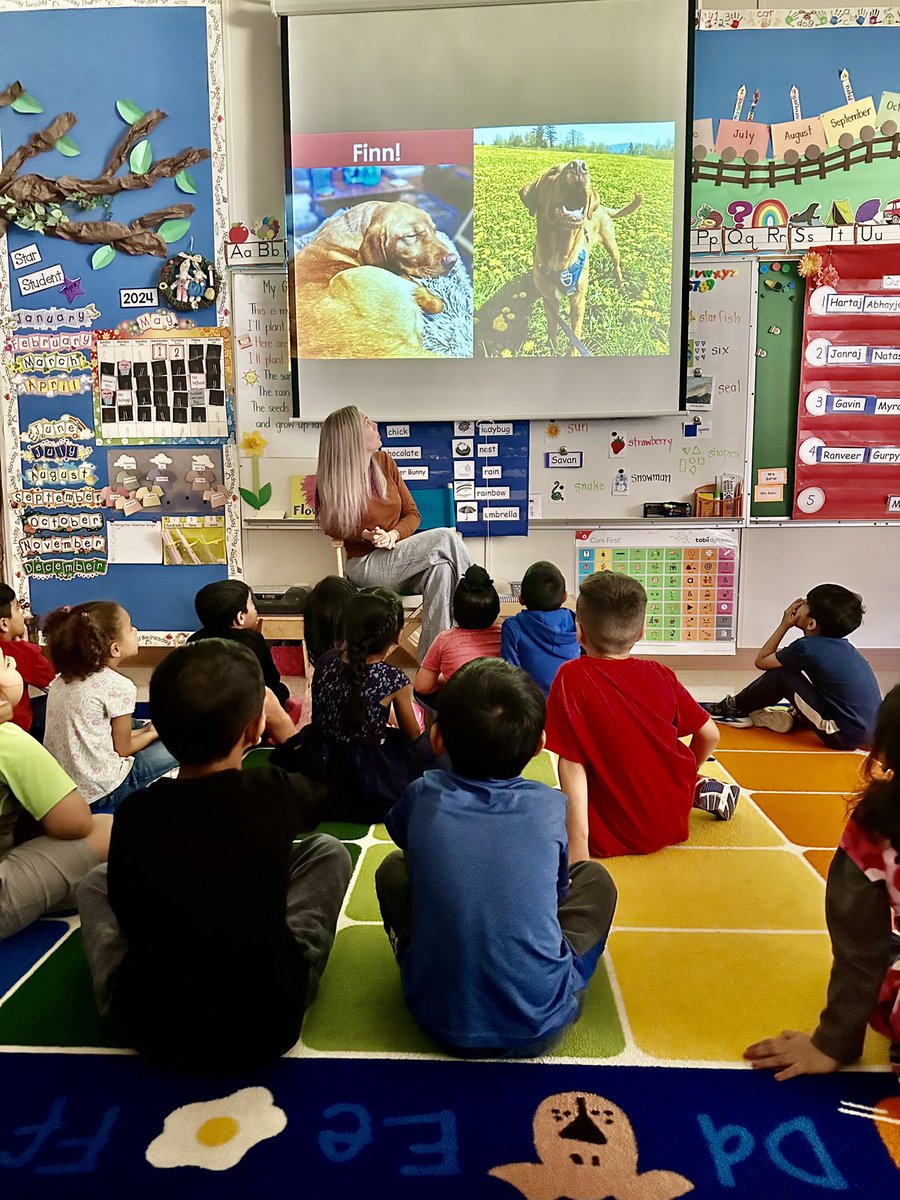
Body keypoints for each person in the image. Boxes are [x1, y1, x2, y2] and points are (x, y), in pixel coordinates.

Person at [77, 640, 351, 1066]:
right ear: (252, 731)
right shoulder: (274, 795)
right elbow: (327, 786)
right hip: (268, 1021)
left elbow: (130, 908)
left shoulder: (136, 811)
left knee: (95, 880)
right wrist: (283, 725)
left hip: (147, 1025)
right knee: (329, 851)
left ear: (160, 730)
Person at [376, 658, 618, 1057]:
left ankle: (418, 953)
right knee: (596, 880)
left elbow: (406, 846)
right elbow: (560, 893)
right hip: (541, 1023)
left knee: (392, 869)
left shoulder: (422, 793)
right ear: (540, 746)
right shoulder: (551, 806)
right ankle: (563, 978)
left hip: (435, 1016)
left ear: (437, 740)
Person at [744, 685, 900, 1079]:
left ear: (881, 754)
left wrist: (832, 1043)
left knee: (885, 968)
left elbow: (860, 951)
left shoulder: (877, 829)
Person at [545, 572, 739, 859]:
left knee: (543, 806)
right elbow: (710, 733)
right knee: (650, 762)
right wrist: (684, 778)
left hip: (610, 834)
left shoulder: (571, 676)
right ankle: (694, 787)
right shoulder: (660, 673)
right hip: (671, 820)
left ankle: (695, 788)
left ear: (579, 632)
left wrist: (579, 854)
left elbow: (571, 764)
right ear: (641, 632)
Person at [314, 405, 472, 658]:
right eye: (367, 422)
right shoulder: (333, 478)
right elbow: (332, 525)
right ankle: (475, 610)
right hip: (366, 566)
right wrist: (366, 535)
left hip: (400, 559)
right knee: (446, 536)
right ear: (352, 437)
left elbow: (413, 514)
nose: (375, 425)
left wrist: (394, 535)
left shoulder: (385, 463)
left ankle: (431, 666)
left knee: (442, 570)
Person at [272, 589, 433, 823]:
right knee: (427, 750)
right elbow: (412, 734)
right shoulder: (393, 678)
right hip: (368, 772)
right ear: (397, 636)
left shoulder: (327, 660)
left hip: (322, 757)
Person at [0, 655, 111, 940]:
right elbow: (75, 823)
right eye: (4, 663)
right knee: (106, 828)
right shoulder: (8, 740)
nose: (13, 660)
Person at [702, 584, 881, 750]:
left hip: (843, 735)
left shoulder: (807, 647)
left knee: (782, 674)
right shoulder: (845, 648)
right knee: (793, 670)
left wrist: (784, 624)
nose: (800, 603)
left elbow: (762, 661)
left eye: (806, 602)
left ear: (811, 623)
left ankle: (735, 708)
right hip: (870, 733)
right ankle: (794, 718)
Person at [43, 603, 177, 814]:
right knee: (182, 743)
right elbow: (122, 749)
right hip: (102, 791)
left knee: (138, 726)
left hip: (63, 788)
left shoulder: (61, 679)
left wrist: (146, 731)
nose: (136, 631)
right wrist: (152, 735)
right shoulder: (118, 686)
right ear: (115, 648)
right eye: (131, 627)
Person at [187, 579, 296, 742]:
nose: (256, 609)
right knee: (279, 689)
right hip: (245, 717)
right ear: (240, 617)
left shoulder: (193, 641)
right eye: (252, 604)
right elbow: (271, 679)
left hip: (203, 716)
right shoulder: (252, 641)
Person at [413, 564, 501, 698]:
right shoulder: (506, 635)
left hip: (460, 710)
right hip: (500, 708)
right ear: (496, 610)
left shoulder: (445, 639)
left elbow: (422, 687)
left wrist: (447, 679)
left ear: (455, 610)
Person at [500, 560, 580, 696]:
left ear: (521, 599)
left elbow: (510, 674)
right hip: (571, 703)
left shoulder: (513, 627)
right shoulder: (577, 622)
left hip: (534, 708)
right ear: (565, 596)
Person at [0, 585, 55, 738]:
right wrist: (28, 648)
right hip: (16, 730)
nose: (24, 614)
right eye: (18, 609)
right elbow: (55, 686)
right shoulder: (20, 652)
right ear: (4, 624)